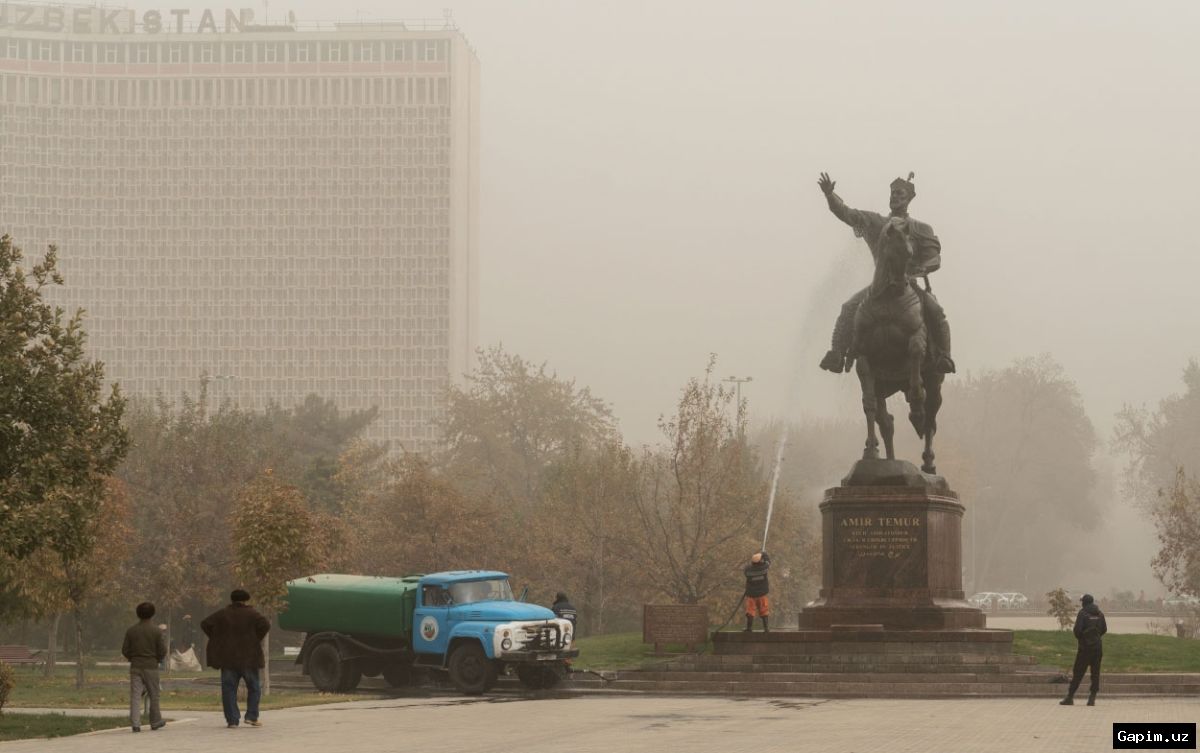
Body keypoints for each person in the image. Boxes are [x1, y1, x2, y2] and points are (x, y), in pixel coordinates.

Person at [816, 172, 954, 376]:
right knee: (848, 308)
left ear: (908, 198)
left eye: (899, 193)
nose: (894, 197)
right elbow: (847, 213)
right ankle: (837, 354)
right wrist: (830, 195)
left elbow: (935, 258)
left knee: (936, 312)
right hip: (879, 288)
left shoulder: (921, 228)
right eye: (892, 193)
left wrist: (921, 270)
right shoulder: (876, 222)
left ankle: (943, 357)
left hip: (910, 287)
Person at [202, 589, 271, 728]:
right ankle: (251, 716)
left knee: (228, 689)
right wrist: (255, 638)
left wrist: (217, 638)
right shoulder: (252, 614)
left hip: (228, 659)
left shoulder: (222, 614)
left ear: (232, 599)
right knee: (254, 688)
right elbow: (265, 625)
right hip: (249, 657)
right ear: (246, 600)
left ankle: (232, 720)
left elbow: (205, 624)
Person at [122, 602, 167, 733]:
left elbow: (125, 649)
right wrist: (157, 659)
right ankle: (155, 721)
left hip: (135, 666)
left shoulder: (131, 631)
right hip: (151, 667)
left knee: (135, 695)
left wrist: (132, 658)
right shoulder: (157, 631)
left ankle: (135, 724)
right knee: (154, 694)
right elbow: (162, 650)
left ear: (138, 614)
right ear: (153, 614)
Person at [1059, 593, 1107, 706]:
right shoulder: (1100, 614)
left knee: (1078, 673)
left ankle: (1070, 697)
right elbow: (1104, 629)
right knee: (1095, 674)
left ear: (1084, 602)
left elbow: (1077, 631)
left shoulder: (1082, 613)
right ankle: (1092, 698)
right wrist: (1095, 637)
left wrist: (1083, 639)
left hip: (1085, 649)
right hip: (1097, 648)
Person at [743, 551, 771, 633]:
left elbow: (746, 568)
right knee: (764, 611)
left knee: (750, 611)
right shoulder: (764, 568)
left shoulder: (748, 570)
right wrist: (764, 554)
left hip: (751, 595)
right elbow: (768, 562)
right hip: (762, 594)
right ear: (760, 561)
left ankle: (749, 628)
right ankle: (766, 628)